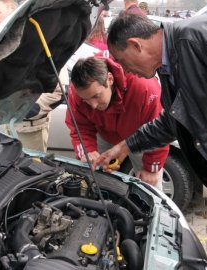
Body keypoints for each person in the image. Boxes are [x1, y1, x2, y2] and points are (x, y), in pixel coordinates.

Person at [92, 14, 207, 204]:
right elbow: (173, 121)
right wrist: (125, 146)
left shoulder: (198, 35)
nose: (125, 70)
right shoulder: (167, 67)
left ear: (136, 45)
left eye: (122, 61)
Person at [66, 57, 168, 188]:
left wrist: (151, 168)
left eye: (96, 96)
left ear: (110, 79)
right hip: (105, 134)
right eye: (86, 100)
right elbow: (79, 126)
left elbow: (159, 130)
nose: (93, 105)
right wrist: (87, 150)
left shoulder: (144, 87)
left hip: (142, 136)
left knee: (149, 185)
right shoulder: (77, 93)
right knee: (96, 178)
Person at [0, 0, 63, 152]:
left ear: (11, 7)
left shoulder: (39, 36)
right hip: (7, 129)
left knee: (32, 171)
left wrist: (26, 110)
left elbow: (59, 89)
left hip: (30, 131)